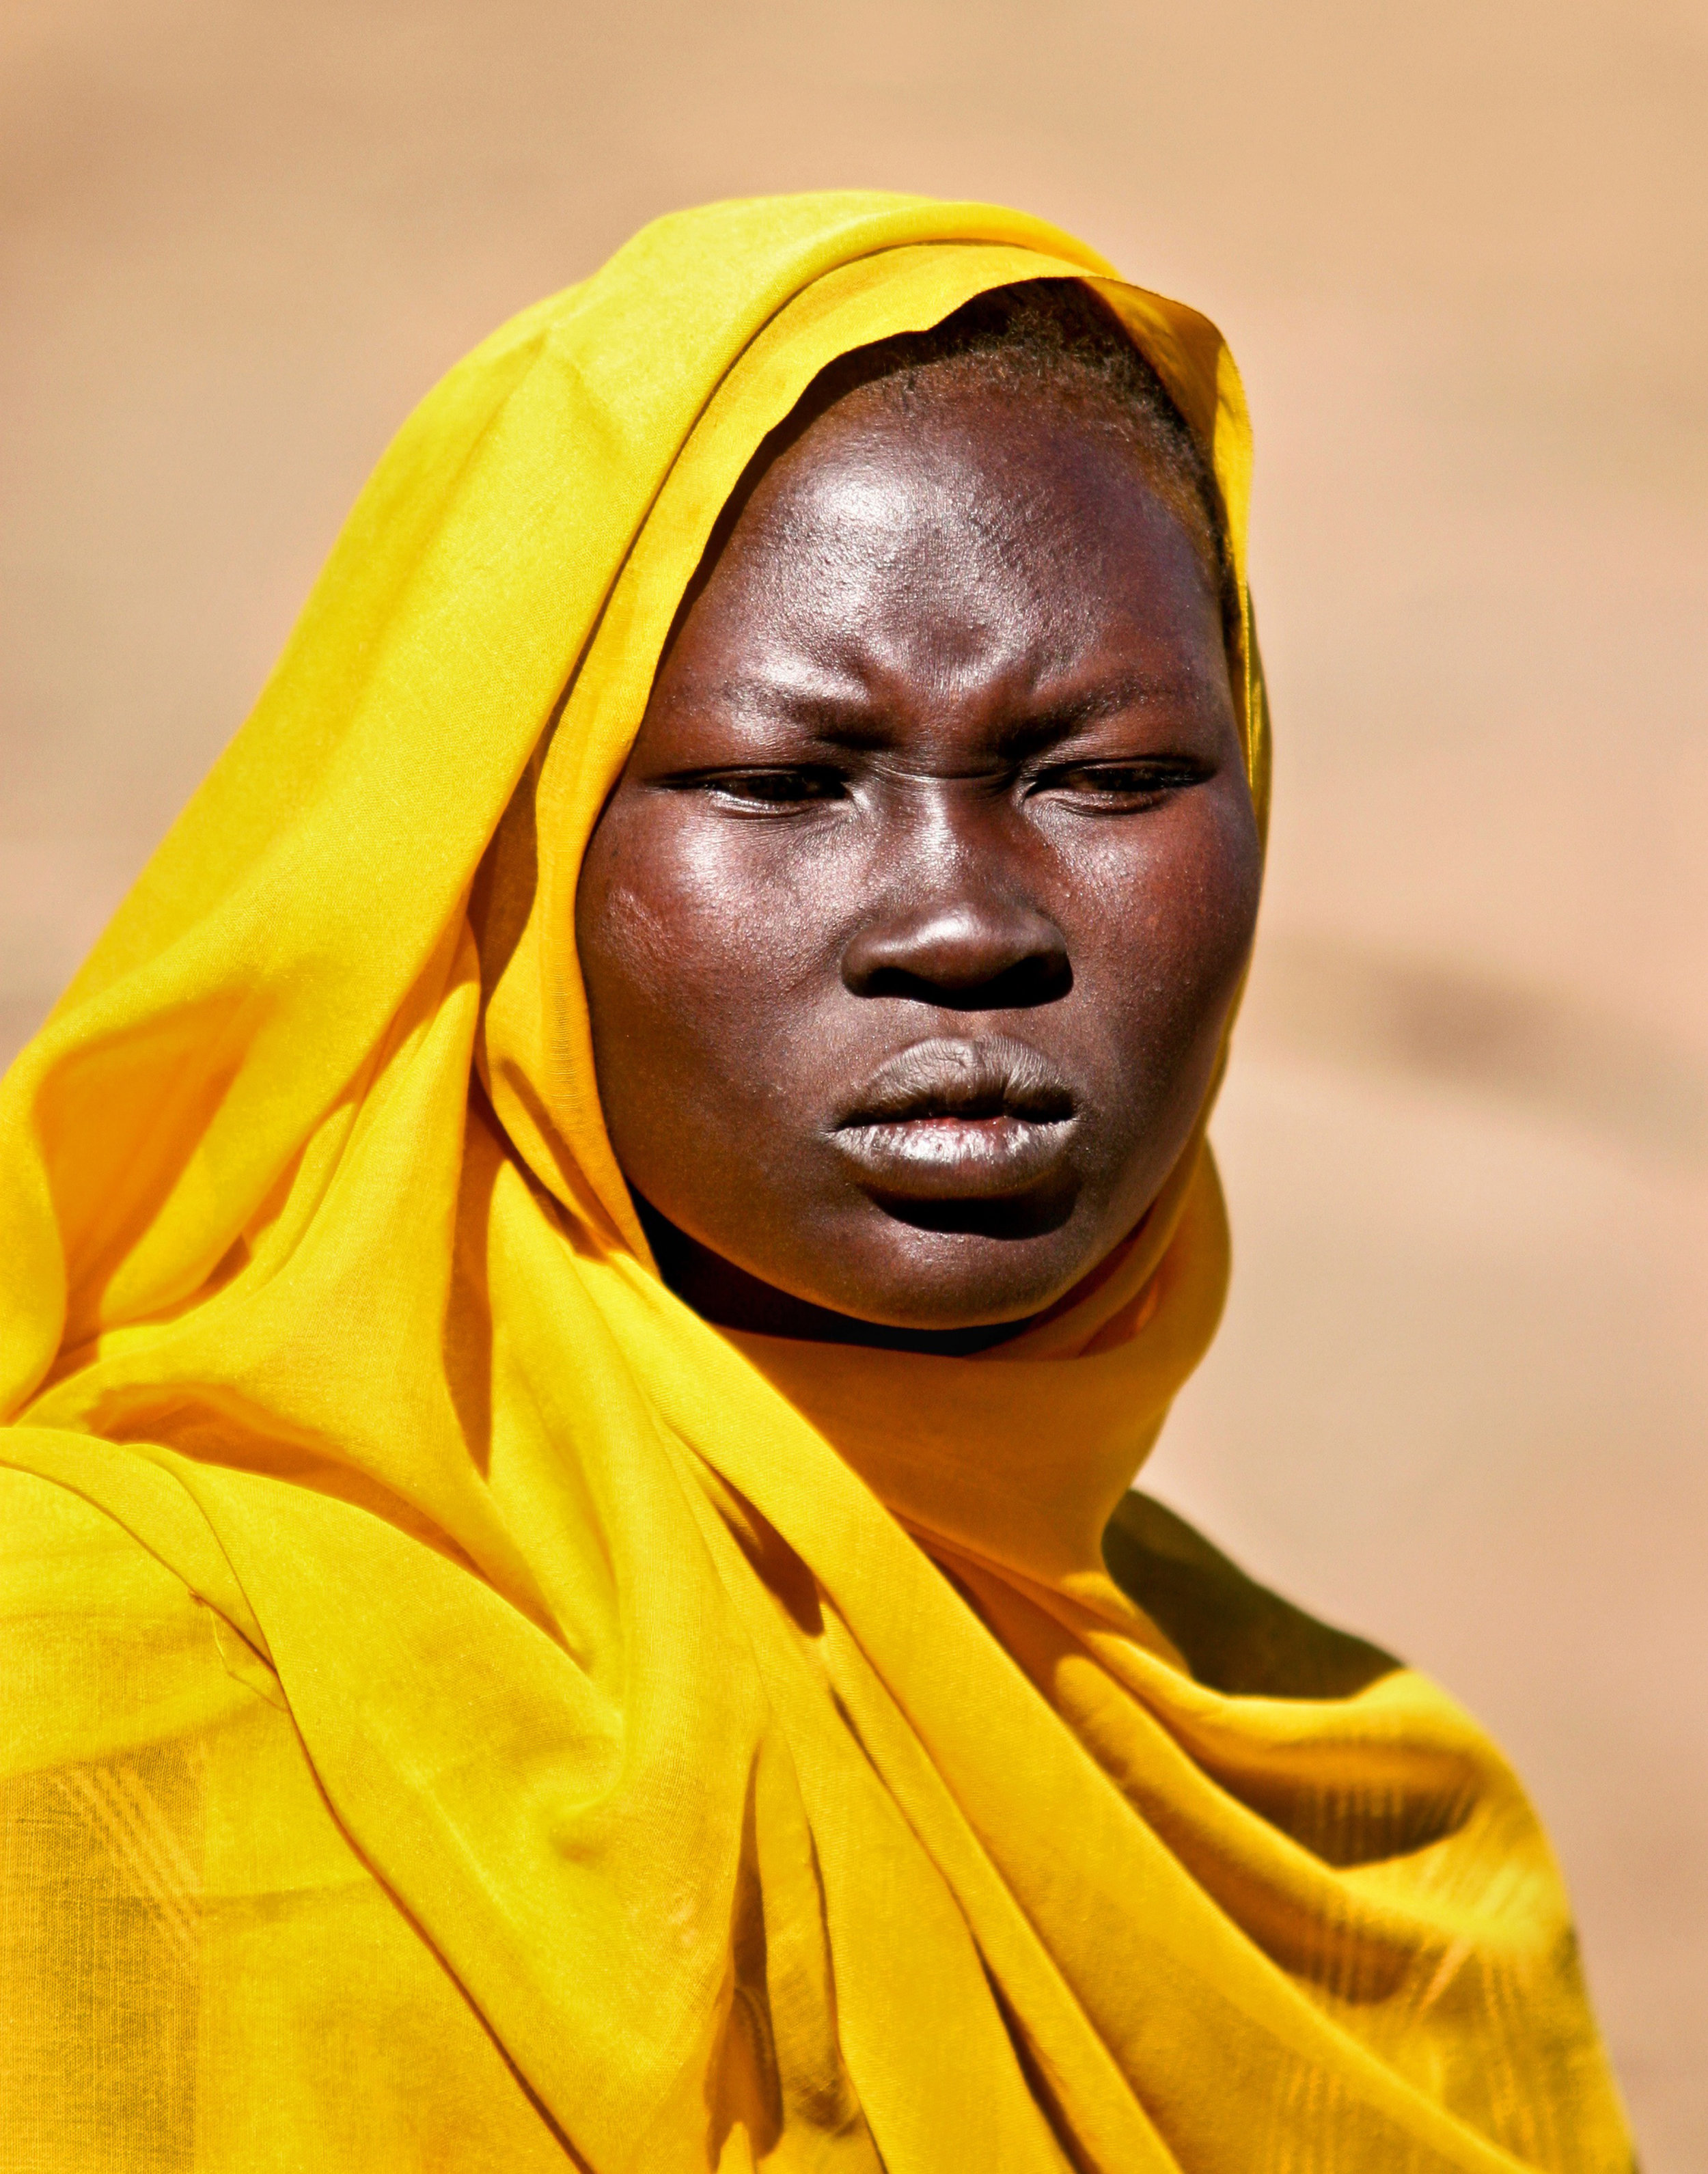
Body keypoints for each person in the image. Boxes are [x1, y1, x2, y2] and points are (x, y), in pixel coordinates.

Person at [0, 192, 1631, 2171]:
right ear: (496, 864)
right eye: (780, 784)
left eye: (1103, 777)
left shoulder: (1370, 1859)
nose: (960, 921)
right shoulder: (86, 1702)